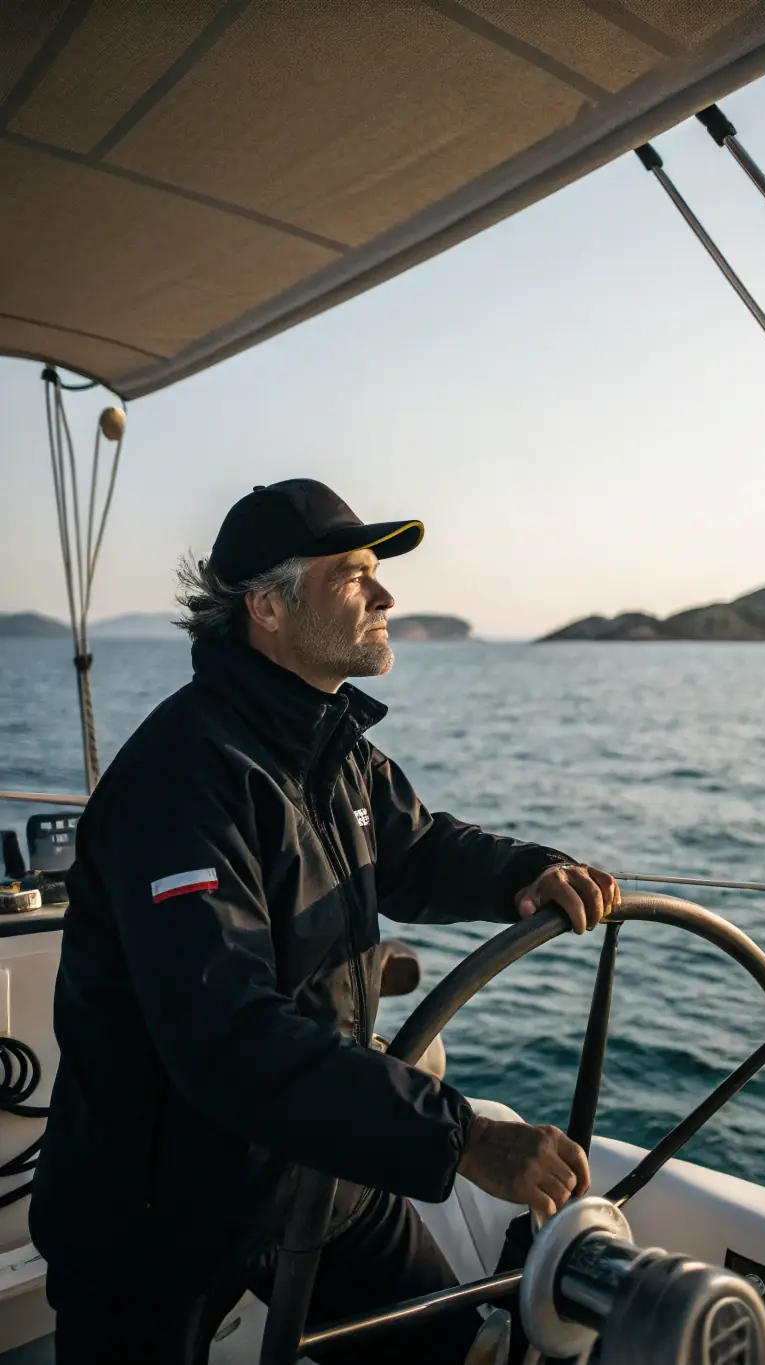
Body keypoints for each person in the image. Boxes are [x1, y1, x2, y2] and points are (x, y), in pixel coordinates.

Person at [31, 478, 620, 1364]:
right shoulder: (183, 780)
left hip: (304, 1155)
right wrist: (465, 1138)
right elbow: (229, 1040)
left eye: (377, 573)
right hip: (156, 1206)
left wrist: (526, 873)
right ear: (267, 607)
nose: (385, 596)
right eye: (354, 576)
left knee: (449, 1350)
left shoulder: (326, 747)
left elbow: (414, 849)